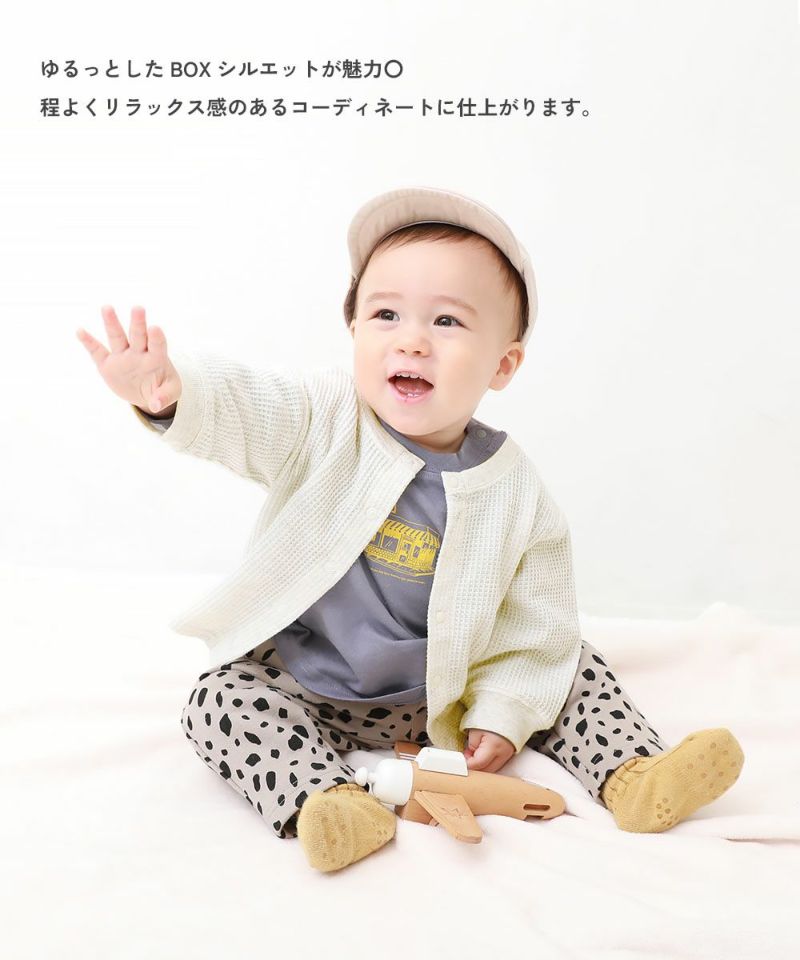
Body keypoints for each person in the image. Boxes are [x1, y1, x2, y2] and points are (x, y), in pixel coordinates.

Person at [75, 185, 744, 873]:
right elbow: (250, 407)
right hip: (309, 682)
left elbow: (534, 624)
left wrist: (504, 713)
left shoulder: (515, 491)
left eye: (447, 321)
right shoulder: (325, 420)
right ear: (355, 332)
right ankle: (328, 801)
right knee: (219, 700)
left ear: (503, 364)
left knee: (572, 664)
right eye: (386, 314)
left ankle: (634, 775)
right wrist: (173, 394)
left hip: (445, 696)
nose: (412, 340)